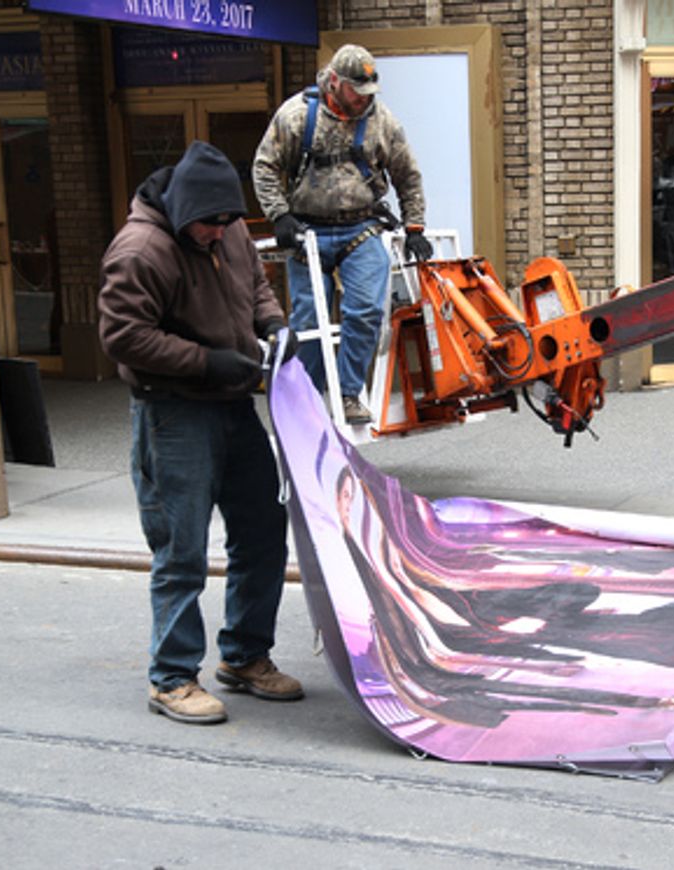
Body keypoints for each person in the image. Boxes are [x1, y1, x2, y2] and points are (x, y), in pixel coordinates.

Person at [98, 140, 304, 726]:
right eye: (208, 227)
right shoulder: (140, 249)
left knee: (264, 529)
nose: (219, 234)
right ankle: (172, 677)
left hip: (233, 406)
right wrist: (205, 361)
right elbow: (122, 336)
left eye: (227, 223)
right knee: (181, 548)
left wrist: (272, 323)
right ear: (186, 213)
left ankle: (244, 656)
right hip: (172, 411)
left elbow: (255, 285)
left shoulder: (229, 228)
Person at [253, 44, 432, 425]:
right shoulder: (297, 116)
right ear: (335, 81)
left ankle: (349, 393)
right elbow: (264, 167)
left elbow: (408, 176)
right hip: (307, 230)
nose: (363, 100)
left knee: (366, 309)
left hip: (361, 226)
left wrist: (414, 226)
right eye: (356, 92)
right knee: (309, 320)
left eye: (369, 92)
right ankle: (309, 399)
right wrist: (280, 216)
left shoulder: (382, 121)